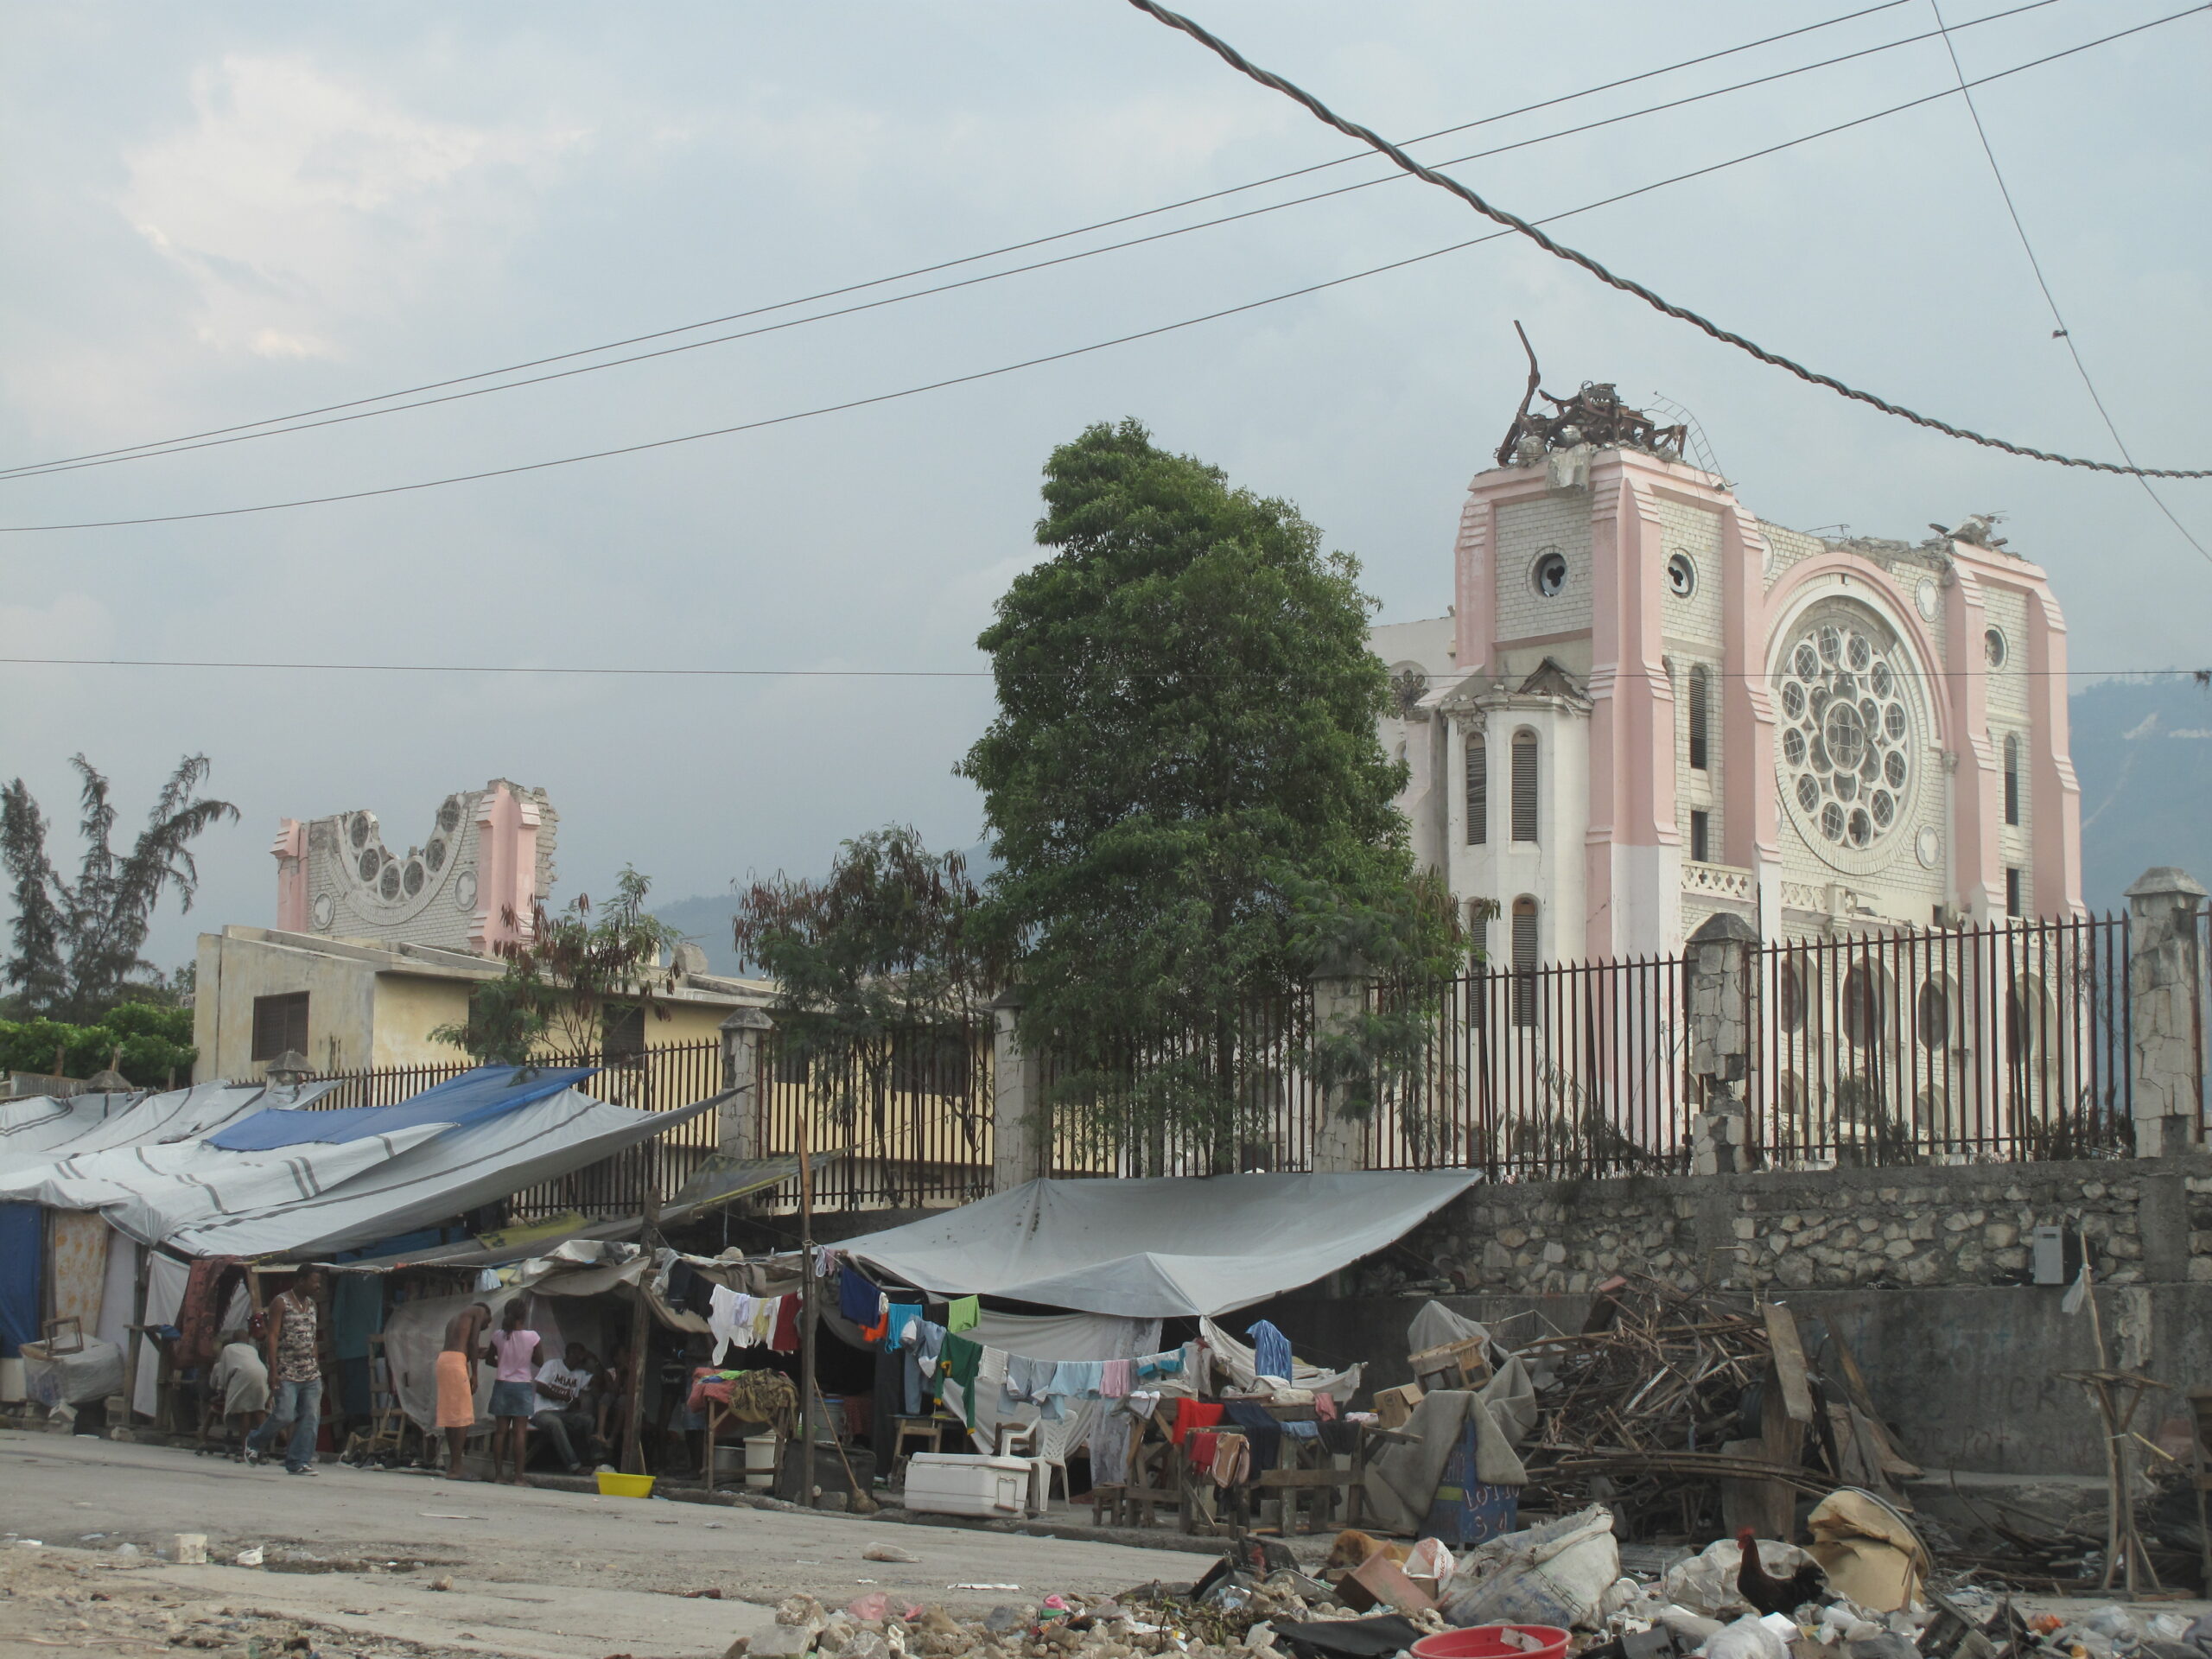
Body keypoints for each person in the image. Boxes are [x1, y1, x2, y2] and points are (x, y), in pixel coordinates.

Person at [245, 1267, 326, 1475]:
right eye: (314, 1281)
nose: (318, 1286)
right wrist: (273, 1370)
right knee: (284, 1415)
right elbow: (272, 1336)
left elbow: (312, 1338)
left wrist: (316, 1365)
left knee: (310, 1417)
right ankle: (254, 1441)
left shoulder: (312, 1305)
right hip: (287, 1370)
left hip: (310, 1372)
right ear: (301, 1280)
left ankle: (299, 1461)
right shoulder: (281, 1302)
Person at [484, 1301, 543, 1486]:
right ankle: (518, 1477)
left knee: (500, 1432)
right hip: (522, 1386)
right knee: (520, 1433)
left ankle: (498, 1476)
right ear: (523, 1316)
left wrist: (503, 1363)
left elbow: (489, 1360)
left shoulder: (497, 1336)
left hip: (502, 1385)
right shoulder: (533, 1337)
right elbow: (540, 1361)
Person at [435, 1301, 492, 1480]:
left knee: (451, 1415)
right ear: (487, 1314)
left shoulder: (456, 1318)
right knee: (462, 1416)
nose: (486, 1326)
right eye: (487, 1324)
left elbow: (461, 1346)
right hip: (456, 1363)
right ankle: (457, 1468)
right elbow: (473, 1342)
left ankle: (453, 1466)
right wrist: (475, 1374)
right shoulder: (479, 1310)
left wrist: (474, 1354)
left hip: (444, 1360)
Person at [529, 1341, 599, 1474]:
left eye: (583, 1357)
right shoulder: (552, 1365)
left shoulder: (580, 1373)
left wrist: (595, 1360)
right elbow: (540, 1388)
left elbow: (599, 1381)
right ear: (571, 1354)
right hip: (541, 1412)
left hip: (563, 1413)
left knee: (588, 1420)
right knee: (556, 1423)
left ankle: (597, 1460)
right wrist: (565, 1397)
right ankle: (574, 1466)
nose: (581, 1360)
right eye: (579, 1356)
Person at [207, 1328, 269, 1459]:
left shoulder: (228, 1349)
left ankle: (246, 1449)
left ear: (233, 1340)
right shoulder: (252, 1349)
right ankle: (263, 1449)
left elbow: (224, 1371)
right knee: (259, 1410)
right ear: (247, 1340)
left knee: (245, 1412)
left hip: (243, 1376)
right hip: (262, 1375)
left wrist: (221, 1391)